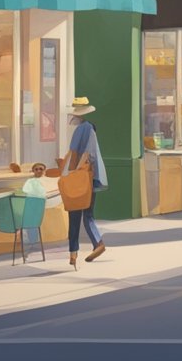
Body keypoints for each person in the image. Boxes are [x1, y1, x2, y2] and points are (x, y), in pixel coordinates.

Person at [63, 97, 108, 269]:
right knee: (88, 215)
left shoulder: (80, 130)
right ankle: (98, 243)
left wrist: (71, 173)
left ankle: (73, 253)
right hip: (91, 177)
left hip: (79, 179)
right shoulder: (91, 128)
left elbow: (75, 154)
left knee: (74, 216)